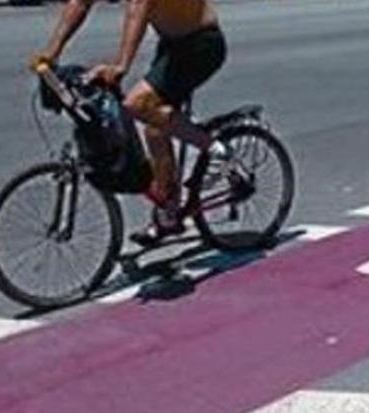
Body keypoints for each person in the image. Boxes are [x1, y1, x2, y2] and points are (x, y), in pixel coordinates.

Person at [31, 0, 227, 243]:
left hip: (201, 44)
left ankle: (215, 149)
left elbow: (138, 8)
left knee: (137, 104)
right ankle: (170, 213)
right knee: (155, 130)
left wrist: (122, 65)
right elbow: (80, 3)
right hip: (172, 45)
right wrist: (51, 53)